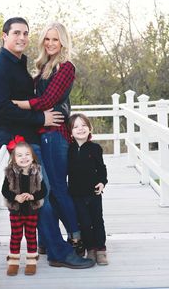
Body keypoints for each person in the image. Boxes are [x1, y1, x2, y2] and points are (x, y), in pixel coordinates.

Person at [0, 17, 94, 269]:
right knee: (40, 190)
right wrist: (39, 116)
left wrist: (40, 116)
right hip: (17, 140)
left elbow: (43, 97)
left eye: (25, 33)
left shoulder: (21, 65)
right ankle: (59, 251)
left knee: (44, 190)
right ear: (4, 36)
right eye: (16, 33)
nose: (21, 38)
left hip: (32, 135)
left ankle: (50, 242)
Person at [12, 22, 84, 255]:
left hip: (55, 136)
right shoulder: (42, 67)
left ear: (63, 42)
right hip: (41, 136)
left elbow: (47, 100)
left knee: (59, 189)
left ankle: (75, 235)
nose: (51, 43)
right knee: (46, 189)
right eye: (47, 39)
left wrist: (15, 105)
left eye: (55, 39)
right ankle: (46, 239)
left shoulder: (66, 68)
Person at [2, 136, 47, 276]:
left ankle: (31, 262)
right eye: (19, 155)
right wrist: (16, 197)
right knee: (16, 236)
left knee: (31, 235)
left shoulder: (37, 172)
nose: (24, 158)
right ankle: (13, 262)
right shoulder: (10, 173)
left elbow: (43, 191)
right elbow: (5, 190)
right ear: (14, 158)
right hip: (16, 211)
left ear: (32, 157)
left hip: (31, 211)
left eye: (27, 154)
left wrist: (33, 196)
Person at [68, 113, 109, 265]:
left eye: (84, 125)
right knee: (84, 222)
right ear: (70, 132)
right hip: (76, 194)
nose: (80, 129)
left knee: (97, 220)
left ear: (90, 128)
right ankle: (90, 248)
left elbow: (101, 168)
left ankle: (101, 249)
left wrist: (102, 182)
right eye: (76, 126)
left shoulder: (95, 148)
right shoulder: (69, 149)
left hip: (94, 192)